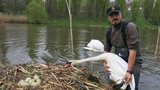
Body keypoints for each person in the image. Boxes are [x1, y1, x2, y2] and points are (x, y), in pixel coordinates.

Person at [104, 5, 143, 90]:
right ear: (108, 18)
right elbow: (106, 52)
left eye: (116, 14)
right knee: (116, 85)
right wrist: (105, 64)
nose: (114, 17)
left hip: (134, 60)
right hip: (119, 60)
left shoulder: (130, 27)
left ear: (121, 14)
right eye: (111, 15)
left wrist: (129, 72)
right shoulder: (108, 32)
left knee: (131, 86)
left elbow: (133, 51)